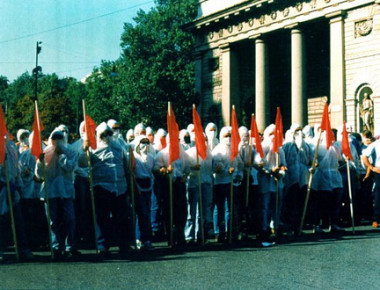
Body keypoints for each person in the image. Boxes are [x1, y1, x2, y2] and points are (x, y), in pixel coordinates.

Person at [80, 122, 130, 259]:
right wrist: (85, 150)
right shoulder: (93, 148)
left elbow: (126, 165)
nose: (107, 136)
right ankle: (102, 245)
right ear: (98, 135)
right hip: (101, 186)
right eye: (104, 134)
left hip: (119, 187)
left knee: (121, 217)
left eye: (109, 133)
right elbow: (82, 163)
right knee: (102, 218)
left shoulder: (119, 147)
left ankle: (123, 244)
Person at [35, 130, 79, 260]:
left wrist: (61, 156)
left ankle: (69, 246)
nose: (57, 140)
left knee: (70, 218)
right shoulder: (45, 153)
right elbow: (39, 175)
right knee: (52, 221)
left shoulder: (71, 152)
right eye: (55, 138)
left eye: (60, 137)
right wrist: (40, 162)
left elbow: (70, 168)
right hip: (50, 191)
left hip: (66, 191)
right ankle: (56, 247)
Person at [154, 133, 191, 246]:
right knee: (168, 210)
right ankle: (170, 236)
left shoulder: (182, 153)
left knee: (182, 210)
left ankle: (181, 235)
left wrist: (185, 175)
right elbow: (156, 167)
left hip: (179, 183)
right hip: (167, 184)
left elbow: (188, 166)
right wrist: (164, 170)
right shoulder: (162, 153)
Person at [0, 140, 33, 262]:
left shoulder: (11, 146)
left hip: (12, 187)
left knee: (18, 220)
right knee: (1, 221)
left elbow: (16, 169)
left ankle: (23, 249)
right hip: (1, 187)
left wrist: (18, 187)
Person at [255, 124, 286, 246]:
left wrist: (281, 172)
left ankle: (275, 228)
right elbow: (258, 164)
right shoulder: (262, 149)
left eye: (275, 134)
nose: (273, 137)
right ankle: (264, 229)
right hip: (266, 182)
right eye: (271, 134)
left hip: (277, 182)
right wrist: (270, 171)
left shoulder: (280, 149)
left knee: (277, 206)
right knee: (265, 207)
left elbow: (283, 164)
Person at [212, 126, 243, 243]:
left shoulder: (235, 150)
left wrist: (239, 174)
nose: (228, 138)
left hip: (232, 183)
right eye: (226, 136)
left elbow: (240, 165)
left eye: (230, 136)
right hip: (220, 183)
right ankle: (219, 232)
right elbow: (216, 167)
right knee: (219, 209)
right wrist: (226, 170)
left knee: (230, 208)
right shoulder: (217, 150)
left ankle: (230, 231)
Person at [282, 124, 313, 234]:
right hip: (290, 178)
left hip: (303, 178)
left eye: (300, 130)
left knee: (301, 202)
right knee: (290, 202)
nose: (299, 133)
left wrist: (312, 167)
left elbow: (310, 160)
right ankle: (289, 225)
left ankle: (298, 226)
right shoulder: (287, 145)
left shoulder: (306, 146)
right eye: (296, 131)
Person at [185, 139, 214, 243]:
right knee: (191, 210)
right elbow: (185, 168)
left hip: (206, 183)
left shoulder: (209, 154)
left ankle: (200, 234)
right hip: (193, 184)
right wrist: (192, 168)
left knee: (203, 210)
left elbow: (212, 168)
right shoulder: (189, 153)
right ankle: (189, 235)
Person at [133, 136, 154, 250]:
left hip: (148, 186)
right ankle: (138, 238)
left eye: (147, 142)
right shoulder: (134, 157)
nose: (145, 145)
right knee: (140, 213)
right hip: (137, 186)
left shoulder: (151, 157)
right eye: (142, 142)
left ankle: (147, 239)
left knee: (147, 213)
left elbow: (152, 171)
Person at [362, 136, 380, 228]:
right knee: (378, 195)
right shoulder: (375, 144)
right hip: (379, 170)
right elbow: (364, 156)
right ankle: (376, 218)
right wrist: (372, 168)